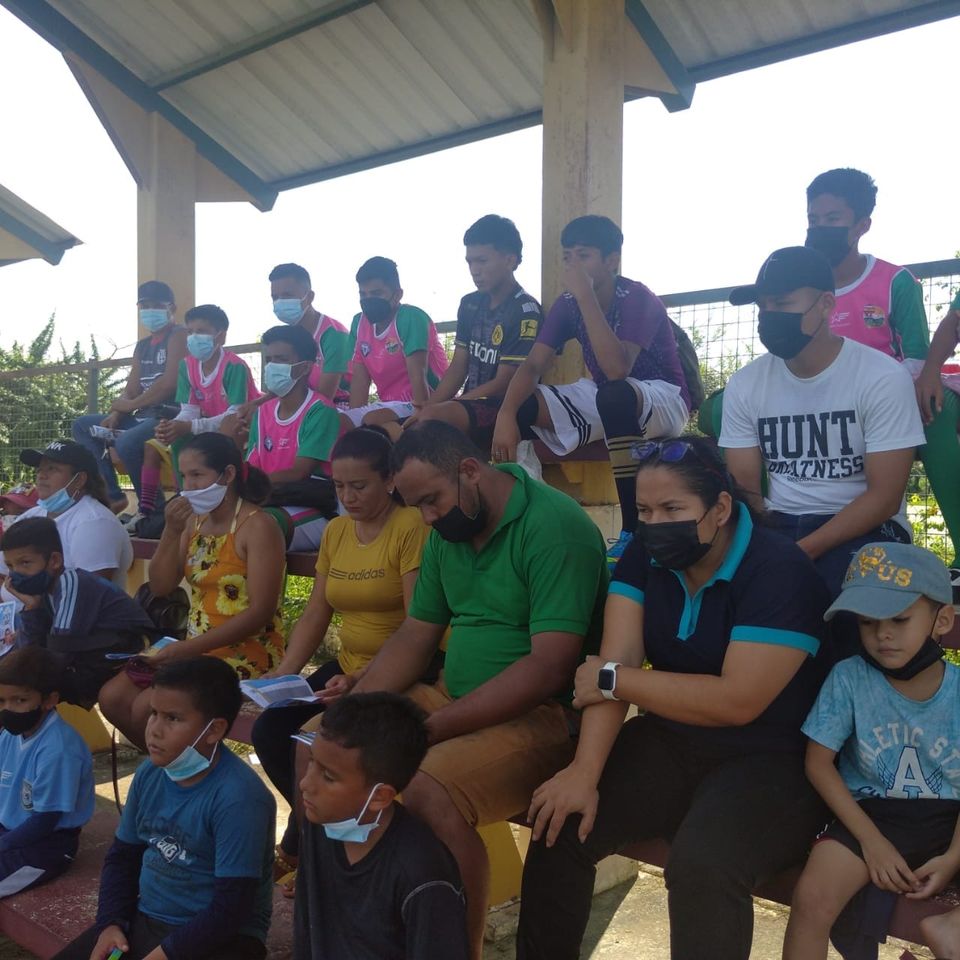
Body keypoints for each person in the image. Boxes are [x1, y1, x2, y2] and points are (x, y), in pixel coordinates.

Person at [516, 436, 832, 960]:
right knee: (559, 821)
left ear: (720, 509)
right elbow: (617, 658)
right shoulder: (645, 554)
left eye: (671, 509)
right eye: (644, 511)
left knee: (705, 864)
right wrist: (583, 773)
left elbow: (737, 702)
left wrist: (618, 679)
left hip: (775, 759)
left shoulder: (778, 570)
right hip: (672, 740)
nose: (655, 524)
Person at [303, 420, 608, 959]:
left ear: (470, 471)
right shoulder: (452, 527)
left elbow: (549, 667)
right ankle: (342, 924)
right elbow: (416, 635)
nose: (427, 517)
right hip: (449, 696)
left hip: (544, 716)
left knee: (427, 787)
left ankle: (454, 948)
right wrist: (356, 709)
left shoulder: (553, 527)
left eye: (431, 501)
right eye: (416, 505)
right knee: (317, 741)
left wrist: (430, 728)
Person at [251, 426, 429, 881]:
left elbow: (418, 624)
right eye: (339, 486)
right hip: (345, 668)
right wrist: (285, 674)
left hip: (395, 673)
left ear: (390, 479)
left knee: (316, 744)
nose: (348, 497)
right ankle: (321, 830)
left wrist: (363, 678)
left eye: (360, 486)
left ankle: (302, 847)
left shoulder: (410, 527)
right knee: (271, 728)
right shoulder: (336, 531)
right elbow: (317, 611)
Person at [783, 542, 959, 960]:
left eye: (899, 619)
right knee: (812, 898)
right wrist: (872, 842)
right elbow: (818, 763)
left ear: (942, 620)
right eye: (867, 622)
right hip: (871, 815)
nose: (882, 634)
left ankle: (951, 927)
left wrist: (954, 857)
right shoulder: (849, 678)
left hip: (952, 819)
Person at [720, 246, 926, 601]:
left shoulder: (882, 377)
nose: (769, 316)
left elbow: (884, 498)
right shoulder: (745, 384)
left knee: (835, 597)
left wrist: (797, 553)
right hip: (779, 522)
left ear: (827, 304)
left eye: (782, 303)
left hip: (866, 527)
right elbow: (746, 489)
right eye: (762, 306)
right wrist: (765, 549)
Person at [492, 215, 690, 560]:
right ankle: (533, 523)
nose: (572, 266)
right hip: (607, 396)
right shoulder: (567, 304)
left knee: (615, 394)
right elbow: (534, 364)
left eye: (583, 255)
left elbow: (616, 369)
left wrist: (586, 297)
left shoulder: (636, 297)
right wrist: (506, 414)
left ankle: (633, 530)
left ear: (612, 261)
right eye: (567, 257)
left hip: (664, 399)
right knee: (522, 405)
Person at [52, 657, 275, 960]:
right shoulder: (151, 773)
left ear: (213, 730)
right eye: (153, 713)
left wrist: (165, 953)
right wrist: (111, 924)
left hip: (222, 938)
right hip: (148, 919)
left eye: (172, 718)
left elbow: (231, 908)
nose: (154, 730)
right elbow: (122, 858)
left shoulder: (240, 797)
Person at [805, 168, 960, 566]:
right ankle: (766, 536)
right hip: (811, 398)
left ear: (862, 225)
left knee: (938, 408)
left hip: (881, 403)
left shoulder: (895, 281)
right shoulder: (799, 285)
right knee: (724, 411)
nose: (820, 229)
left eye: (832, 219)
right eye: (813, 219)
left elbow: (916, 360)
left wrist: (879, 390)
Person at [98, 432, 286, 750]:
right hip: (194, 649)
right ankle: (175, 764)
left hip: (245, 652)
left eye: (197, 475)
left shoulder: (258, 526)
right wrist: (171, 531)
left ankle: (187, 766)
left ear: (227, 474)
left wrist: (188, 649)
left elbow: (261, 612)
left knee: (147, 707)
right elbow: (161, 586)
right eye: (184, 476)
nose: (188, 486)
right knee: (111, 697)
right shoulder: (193, 523)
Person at [295, 692, 469, 960]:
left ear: (379, 796)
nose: (305, 783)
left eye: (328, 776)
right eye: (311, 762)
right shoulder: (320, 822)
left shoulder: (422, 875)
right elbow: (306, 933)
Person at [382, 214, 543, 449]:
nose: (474, 270)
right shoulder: (469, 304)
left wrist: (448, 406)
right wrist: (430, 405)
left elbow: (505, 382)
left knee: (428, 424)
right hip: (468, 406)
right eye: (470, 262)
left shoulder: (525, 310)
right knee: (385, 429)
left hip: (506, 408)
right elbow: (458, 367)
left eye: (482, 261)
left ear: (510, 260)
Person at [127, 304, 260, 531]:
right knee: (157, 444)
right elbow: (189, 409)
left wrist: (189, 426)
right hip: (207, 429)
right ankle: (169, 502)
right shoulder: (186, 366)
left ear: (221, 336)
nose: (194, 337)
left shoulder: (234, 366)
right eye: (190, 331)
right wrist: (174, 426)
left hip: (240, 428)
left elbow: (234, 415)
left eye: (202, 331)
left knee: (226, 432)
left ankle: (228, 496)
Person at [2, 518, 156, 709]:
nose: (16, 574)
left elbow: (57, 653)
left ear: (54, 561)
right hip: (95, 657)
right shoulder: (44, 589)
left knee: (25, 688)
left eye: (25, 563)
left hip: (130, 655)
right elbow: (33, 649)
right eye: (10, 566)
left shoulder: (71, 583)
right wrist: (31, 607)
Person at [71, 280, 187, 515]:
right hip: (140, 418)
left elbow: (169, 383)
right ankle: (112, 496)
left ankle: (151, 510)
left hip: (168, 416)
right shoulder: (142, 346)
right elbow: (132, 388)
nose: (149, 311)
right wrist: (116, 413)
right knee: (83, 426)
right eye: (144, 306)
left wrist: (130, 405)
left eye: (156, 305)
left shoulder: (179, 335)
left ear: (172, 309)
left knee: (127, 442)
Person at [0, 646, 95, 898]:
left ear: (49, 700)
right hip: (9, 831)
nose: (8, 709)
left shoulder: (59, 748)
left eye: (20, 700)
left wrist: (3, 845)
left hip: (45, 846)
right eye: (2, 701)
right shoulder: (10, 735)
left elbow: (45, 821)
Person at [245, 324, 347, 550]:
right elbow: (251, 467)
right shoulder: (262, 413)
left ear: (306, 367)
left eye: (281, 359)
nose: (272, 366)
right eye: (269, 359)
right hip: (271, 500)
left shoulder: (320, 410)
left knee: (259, 527)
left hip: (316, 508)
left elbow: (300, 472)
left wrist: (246, 485)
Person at [0, 440, 133, 592]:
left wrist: (33, 606)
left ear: (79, 479)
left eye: (52, 469)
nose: (42, 475)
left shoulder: (96, 523)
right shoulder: (30, 516)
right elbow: (2, 572)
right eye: (40, 469)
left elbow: (88, 596)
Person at [348, 256, 449, 427]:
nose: (368, 300)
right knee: (341, 423)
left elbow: (418, 375)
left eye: (376, 293)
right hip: (389, 405)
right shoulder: (359, 323)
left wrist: (421, 420)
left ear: (397, 295)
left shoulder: (410, 318)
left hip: (426, 402)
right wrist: (352, 420)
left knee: (371, 421)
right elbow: (360, 380)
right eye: (363, 294)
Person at [269, 262, 352, 406]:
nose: (279, 302)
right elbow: (281, 390)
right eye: (275, 297)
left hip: (336, 409)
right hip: (298, 408)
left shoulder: (334, 336)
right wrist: (256, 405)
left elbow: (324, 399)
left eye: (287, 295)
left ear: (310, 297)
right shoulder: (287, 338)